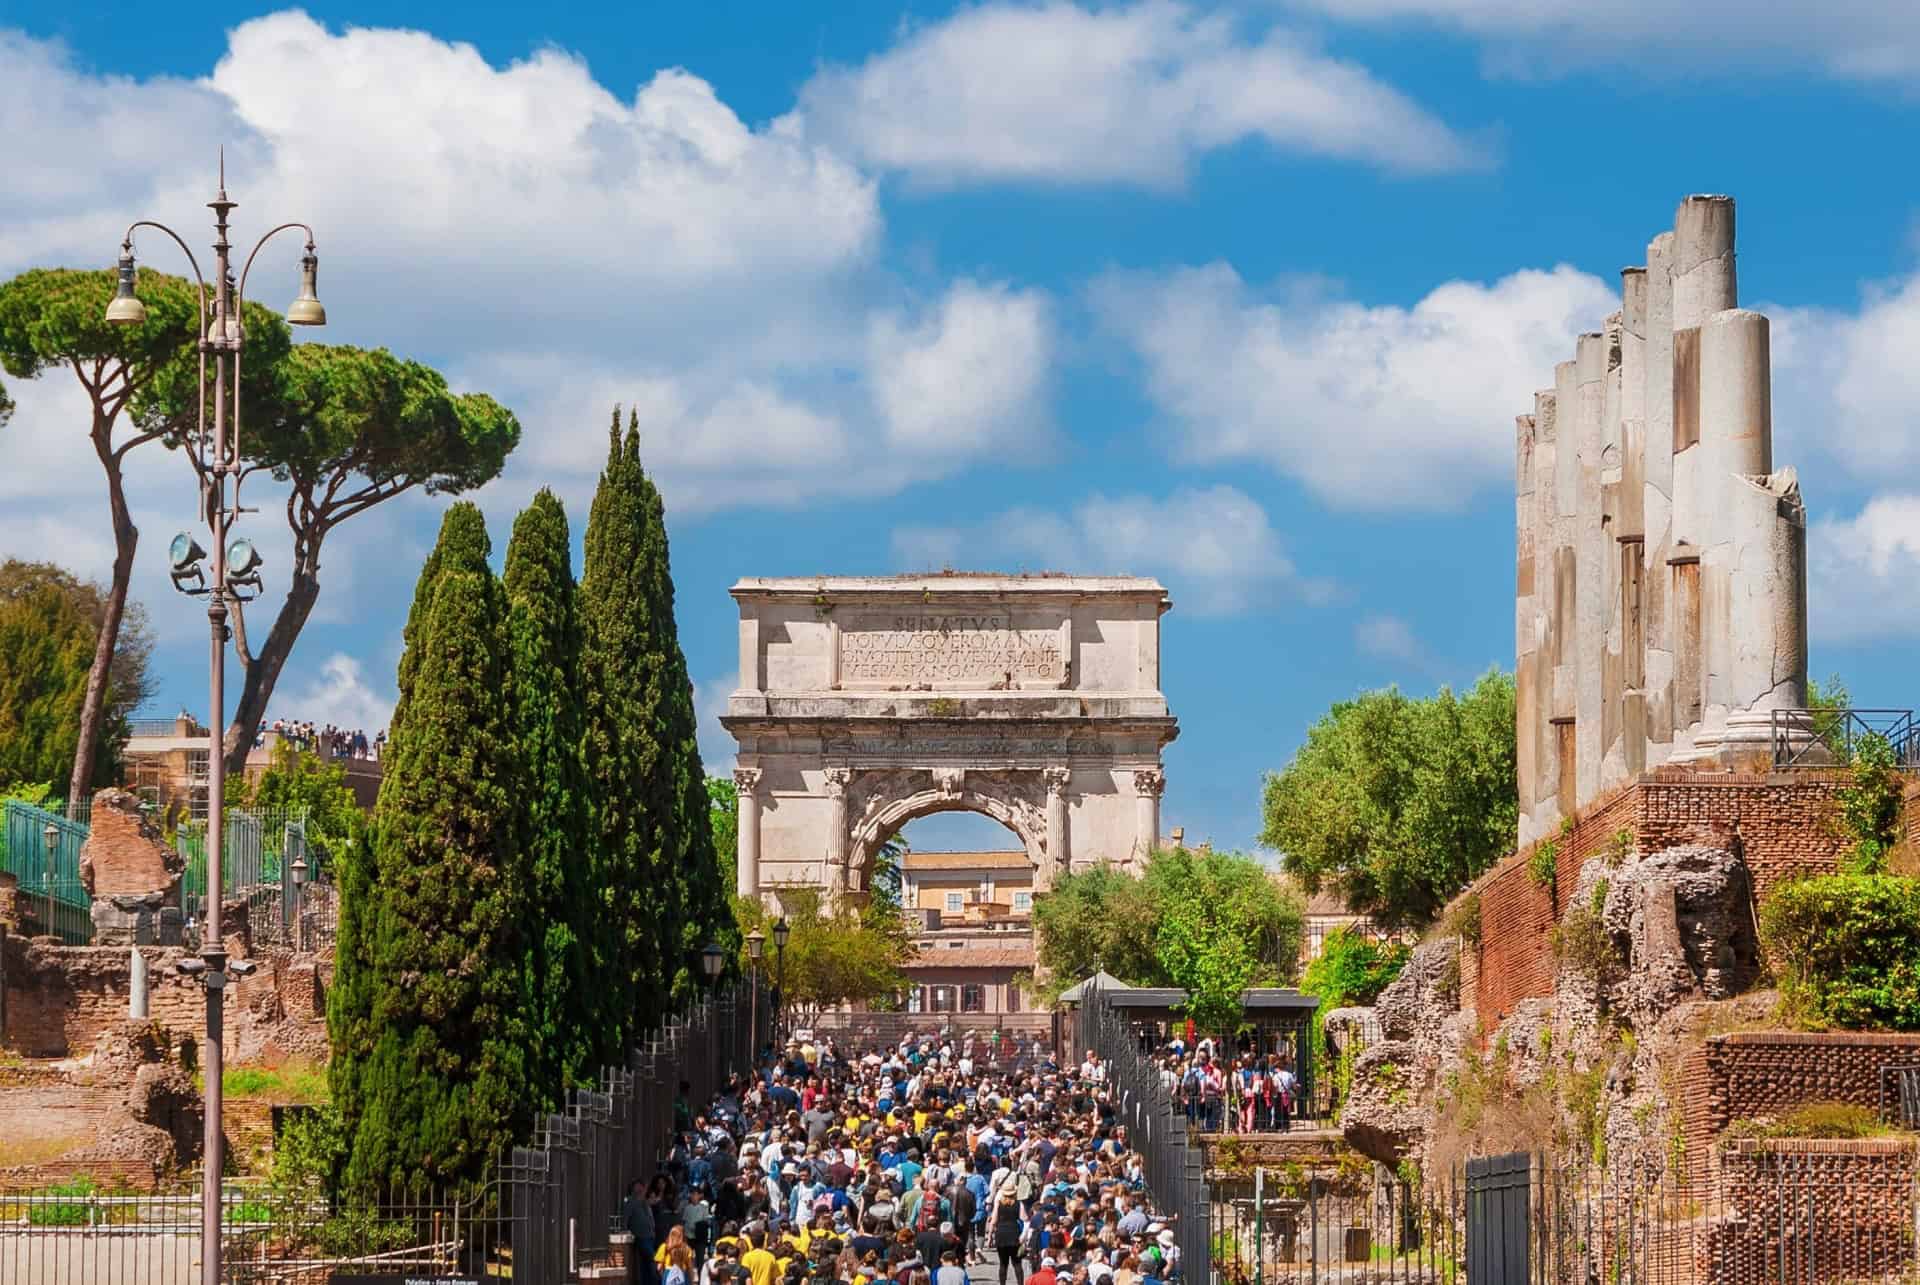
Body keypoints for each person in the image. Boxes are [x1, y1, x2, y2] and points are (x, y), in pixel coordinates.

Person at [625, 1178, 659, 1285]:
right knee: (652, 1259)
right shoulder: (631, 1201)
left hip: (650, 1236)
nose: (642, 1189)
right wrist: (625, 1231)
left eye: (643, 1187)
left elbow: (650, 1217)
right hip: (641, 1236)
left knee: (645, 1264)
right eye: (639, 1186)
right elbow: (626, 1218)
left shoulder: (644, 1202)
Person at [991, 1190, 1025, 1285]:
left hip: (1001, 1234)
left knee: (1003, 1263)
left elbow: (993, 1221)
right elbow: (1025, 1218)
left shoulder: (998, 1204)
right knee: (1017, 1263)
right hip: (1014, 1233)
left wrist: (990, 1236)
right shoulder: (1019, 1204)